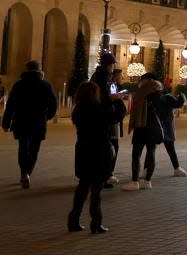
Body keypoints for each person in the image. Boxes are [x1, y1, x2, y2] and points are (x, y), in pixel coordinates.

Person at [68, 81, 126, 234]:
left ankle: (73, 220)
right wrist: (118, 100)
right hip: (99, 151)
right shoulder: (98, 109)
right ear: (95, 94)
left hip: (83, 150)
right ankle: (96, 222)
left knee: (82, 187)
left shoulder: (78, 109)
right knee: (96, 189)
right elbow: (118, 115)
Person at [1, 60, 57, 188]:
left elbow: (11, 105)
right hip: (38, 122)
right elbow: (53, 105)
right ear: (39, 70)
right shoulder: (45, 85)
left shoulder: (19, 85)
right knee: (34, 149)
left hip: (21, 121)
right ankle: (28, 172)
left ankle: (23, 173)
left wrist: (6, 122)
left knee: (23, 147)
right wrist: (46, 117)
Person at [123, 75, 164, 190]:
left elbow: (135, 110)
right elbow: (162, 110)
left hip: (141, 127)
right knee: (151, 153)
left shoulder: (142, 92)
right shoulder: (159, 92)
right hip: (154, 127)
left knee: (136, 154)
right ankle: (147, 181)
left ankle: (135, 181)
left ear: (146, 80)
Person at [91, 52, 121, 188]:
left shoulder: (105, 77)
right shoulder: (101, 78)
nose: (113, 67)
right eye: (112, 64)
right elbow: (100, 98)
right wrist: (112, 98)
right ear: (108, 65)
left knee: (110, 146)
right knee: (110, 147)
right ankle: (105, 176)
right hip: (104, 117)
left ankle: (105, 175)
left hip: (107, 116)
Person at [155, 84, 187, 176]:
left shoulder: (152, 98)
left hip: (156, 126)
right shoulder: (167, 98)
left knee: (152, 149)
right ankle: (177, 168)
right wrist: (181, 96)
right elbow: (178, 104)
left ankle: (146, 170)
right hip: (166, 126)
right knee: (170, 148)